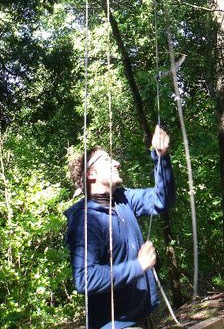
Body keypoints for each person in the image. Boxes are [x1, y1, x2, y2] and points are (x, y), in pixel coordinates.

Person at [65, 126, 175, 329]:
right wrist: (138, 266)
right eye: (107, 160)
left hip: (143, 319)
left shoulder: (123, 200)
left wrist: (161, 157)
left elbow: (162, 200)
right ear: (90, 174)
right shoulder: (84, 221)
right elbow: (84, 279)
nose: (116, 163)